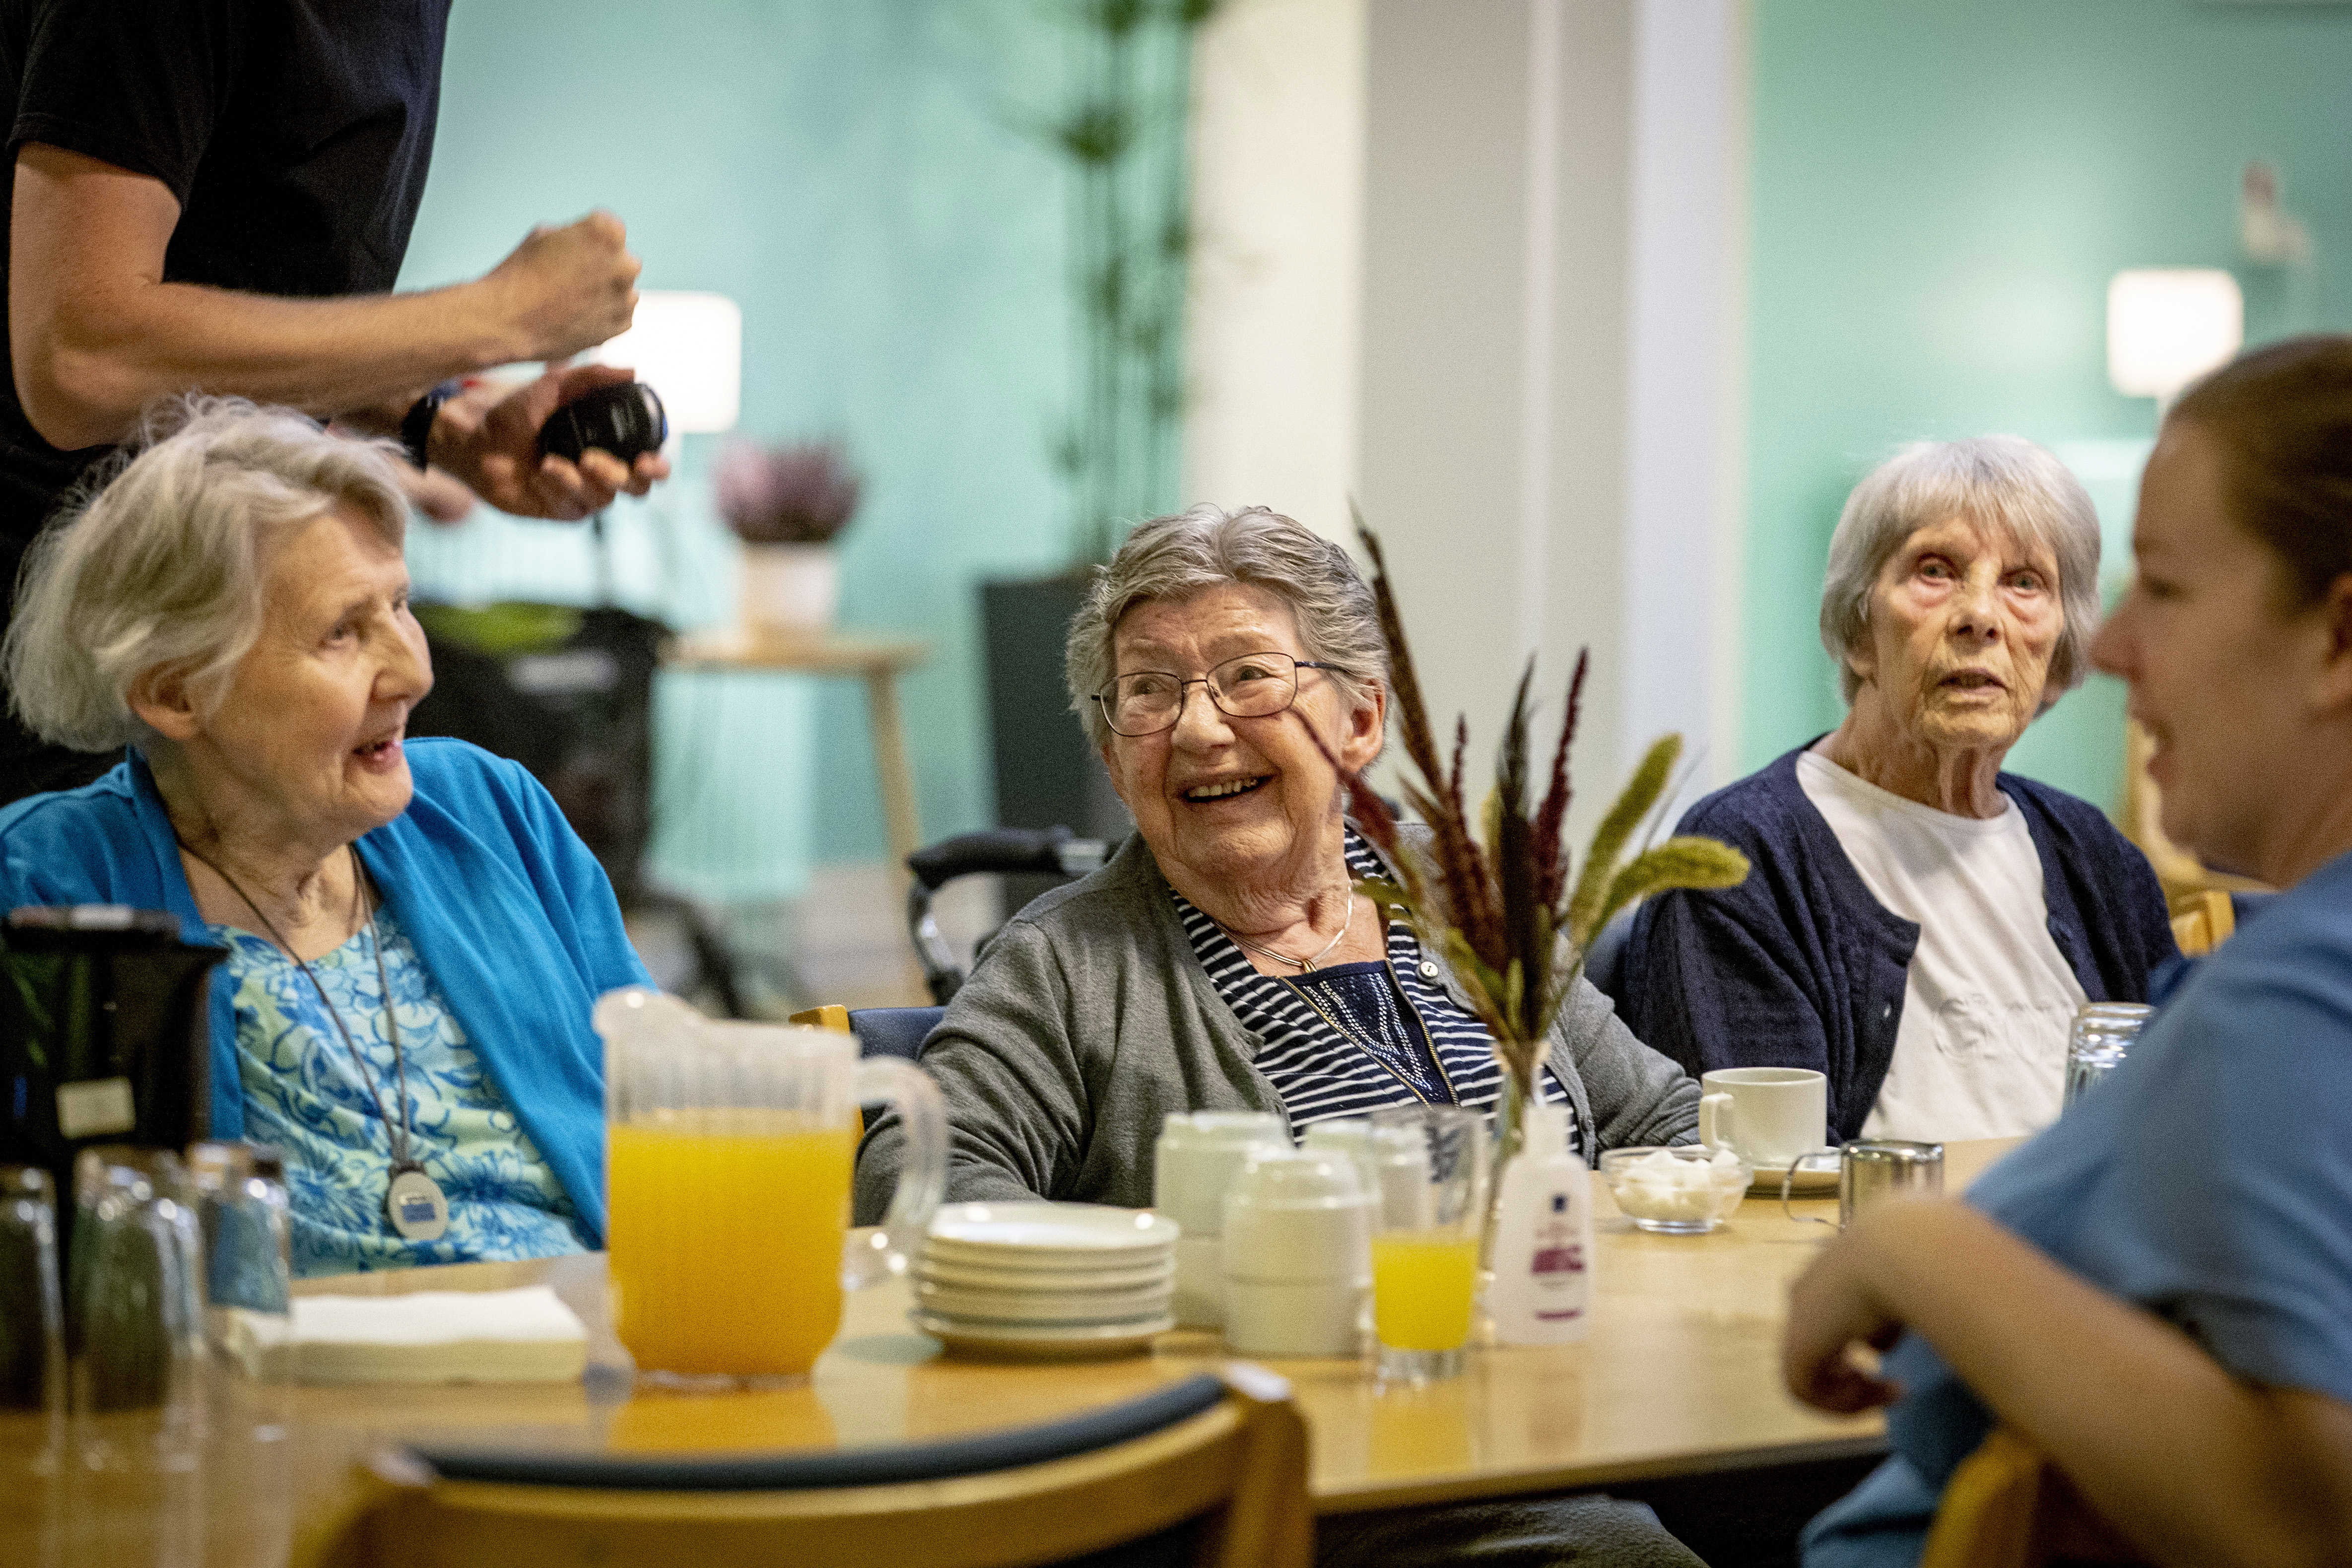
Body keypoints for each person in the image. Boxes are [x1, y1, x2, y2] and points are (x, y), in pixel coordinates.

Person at [1785, 336, 2352, 1568]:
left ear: (2339, 639)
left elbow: (2308, 1516)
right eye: (1935, 571)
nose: (2111, 644)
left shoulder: (2292, 997)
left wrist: (1917, 1248)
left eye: (2166, 584)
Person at [856, 504, 1697, 1216]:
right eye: (1149, 690)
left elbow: (1662, 1122)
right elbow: (919, 1176)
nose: (1198, 728)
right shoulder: (1065, 964)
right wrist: (1159, 1280)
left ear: (1362, 722)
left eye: (1248, 675)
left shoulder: (1462, 893)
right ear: (1114, 761)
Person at [0, 400, 648, 1275]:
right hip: (282, 1398)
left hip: (596, 1358)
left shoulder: (493, 809)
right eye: (342, 632)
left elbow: (659, 1099)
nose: (415, 671)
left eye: (401, 604)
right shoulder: (43, 888)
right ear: (179, 692)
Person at [0, 0, 671, 800]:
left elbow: (237, 279)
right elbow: (78, 356)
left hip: (189, 617)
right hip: (46, 639)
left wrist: (442, 422)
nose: (412, 674)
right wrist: (496, 315)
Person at [1619, 438, 2174, 1144]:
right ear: (1859, 629)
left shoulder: (2098, 860)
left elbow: (2178, 1136)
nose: (1982, 615)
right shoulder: (1742, 857)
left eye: (2026, 582)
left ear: (2062, 647)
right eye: (1935, 571)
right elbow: (1763, 1180)